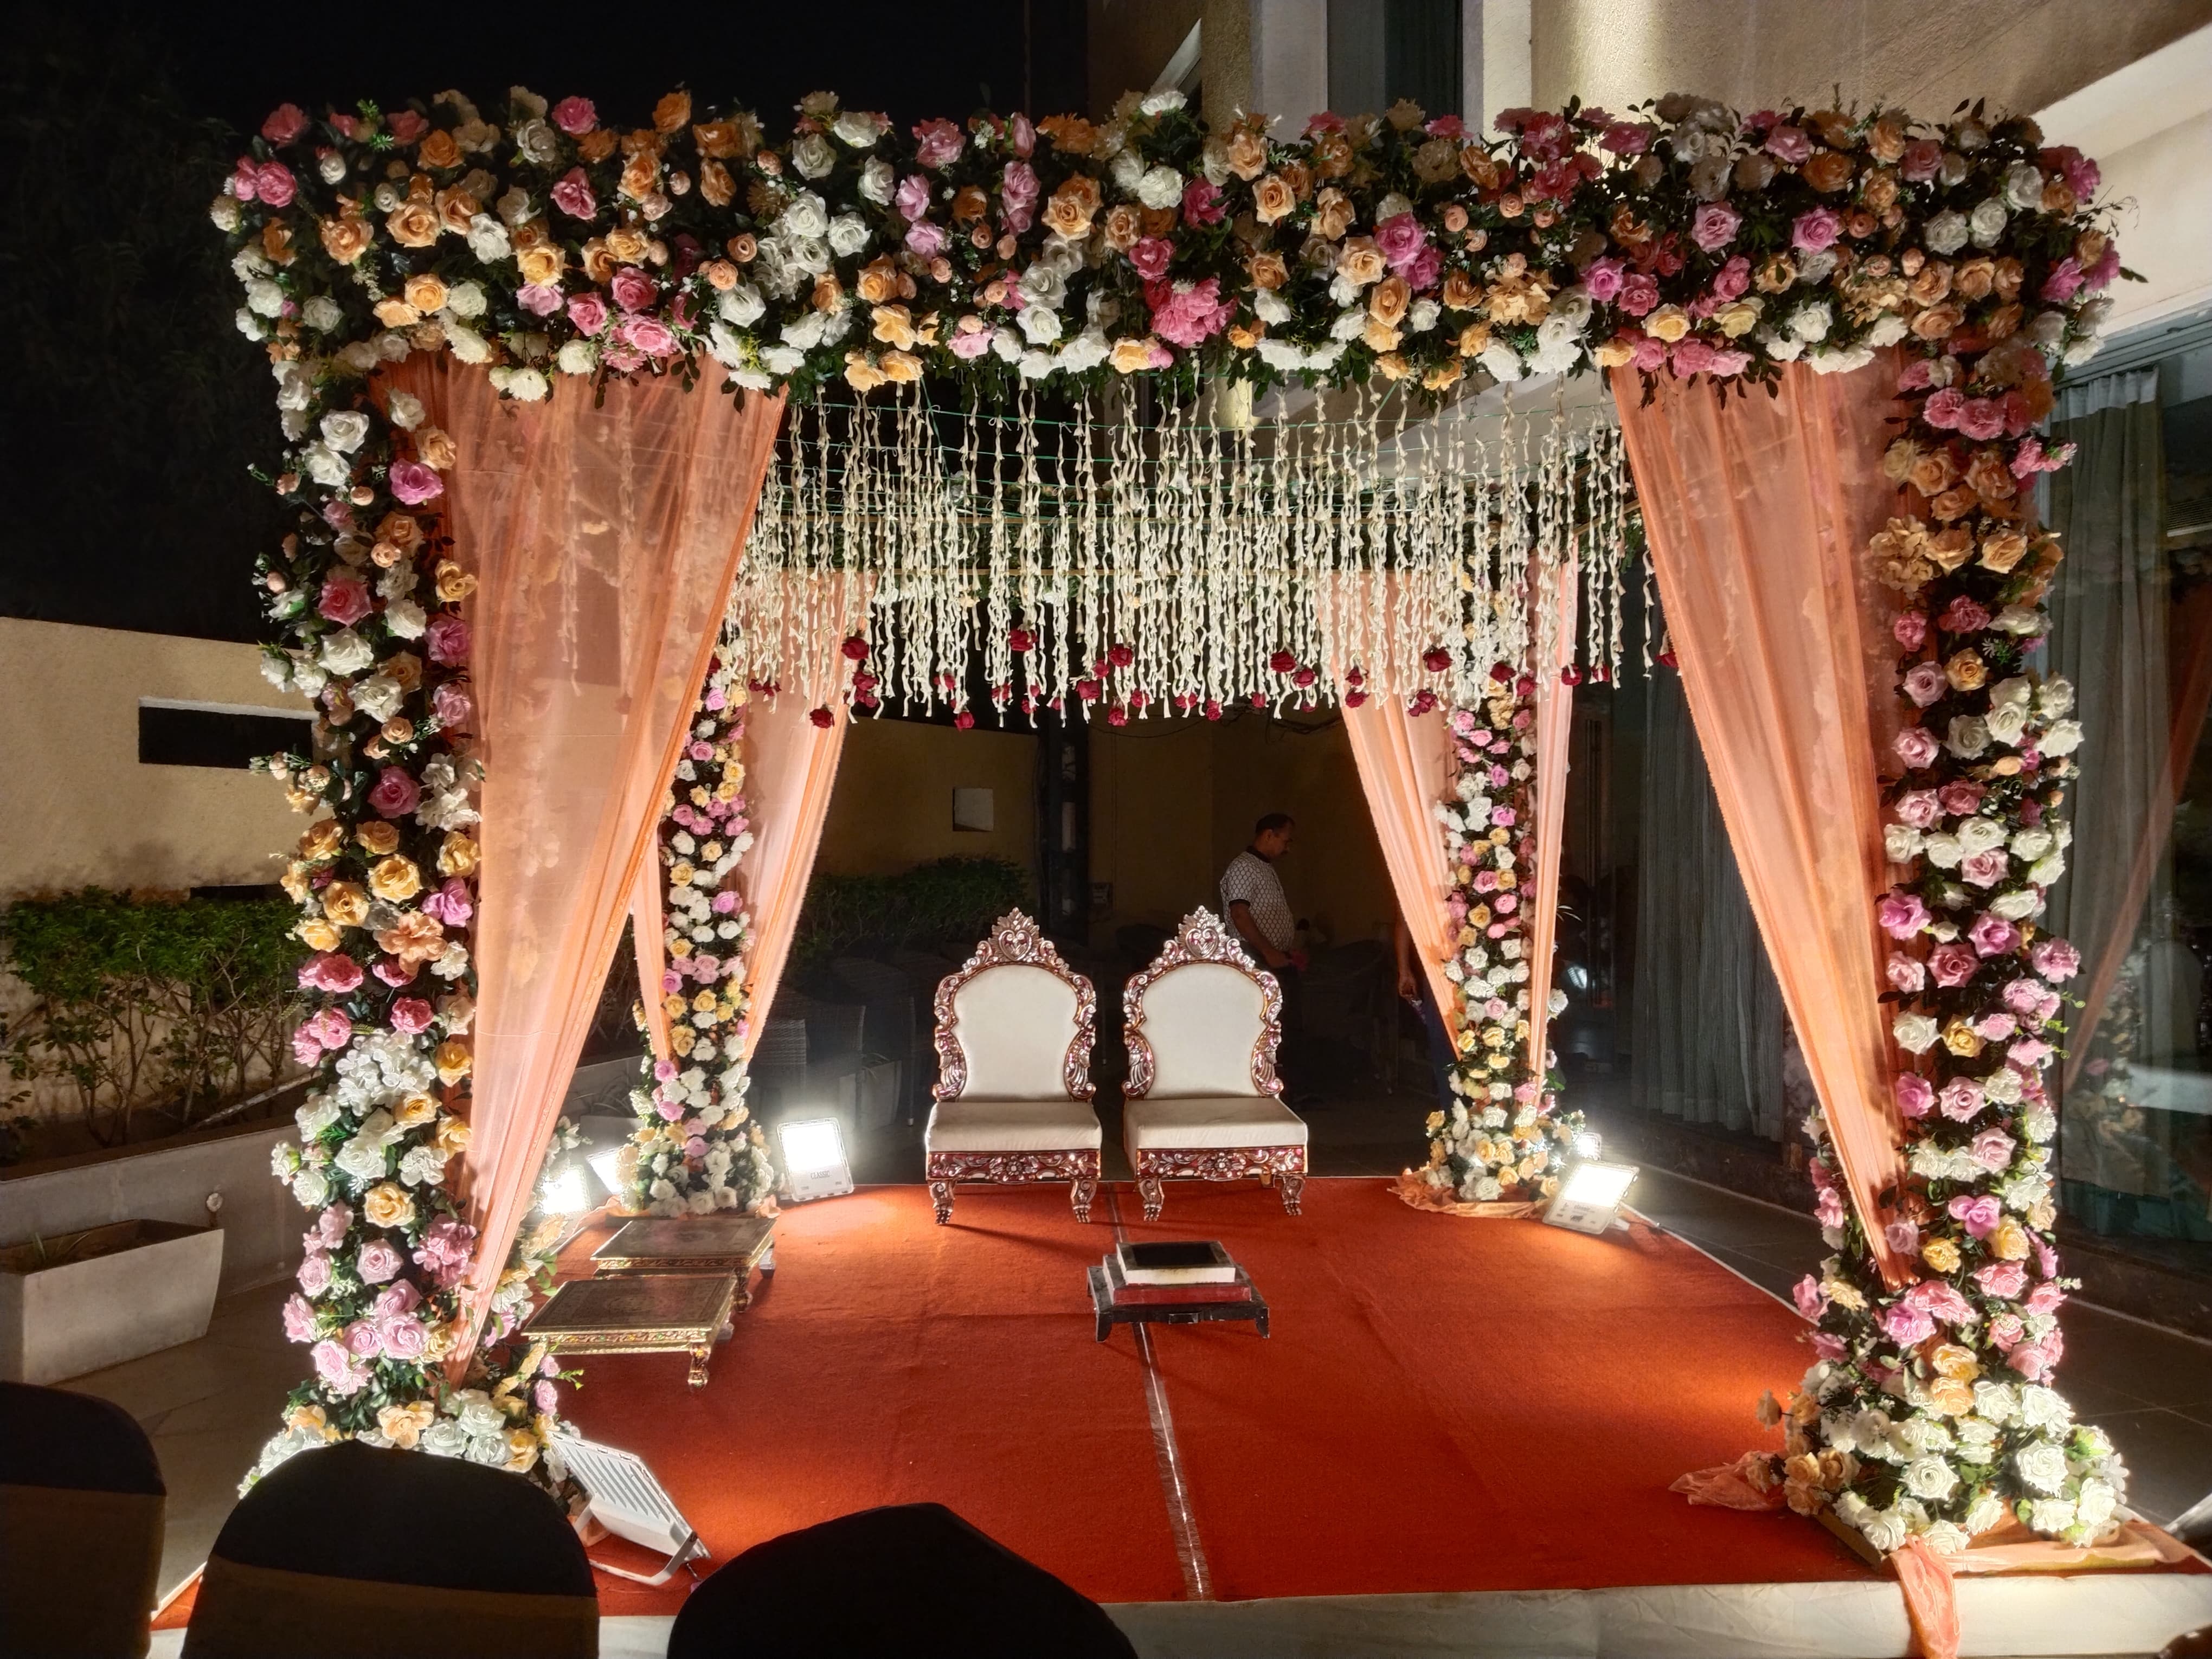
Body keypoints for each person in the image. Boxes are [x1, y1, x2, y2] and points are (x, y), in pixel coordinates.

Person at [1221, 814, 1314, 1102]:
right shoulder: (1244, 867)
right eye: (1286, 840)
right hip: (1256, 956)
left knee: (1287, 1021)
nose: (1288, 848)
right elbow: (1240, 914)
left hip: (1272, 956)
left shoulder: (1264, 868)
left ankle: (1290, 1089)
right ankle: (1271, 1090)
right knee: (1269, 1024)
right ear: (1268, 835)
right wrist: (1269, 951)